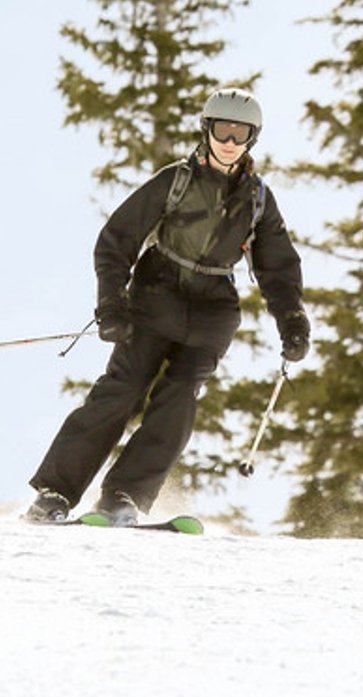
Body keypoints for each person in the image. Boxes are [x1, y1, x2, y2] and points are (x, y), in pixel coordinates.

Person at [25, 88, 309, 525]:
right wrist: (111, 302)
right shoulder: (175, 180)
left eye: (241, 133)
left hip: (213, 310)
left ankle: (125, 496)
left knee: (179, 401)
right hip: (157, 295)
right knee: (122, 389)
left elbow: (279, 265)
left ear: (253, 138)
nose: (230, 141)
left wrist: (291, 318)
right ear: (207, 129)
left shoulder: (257, 198)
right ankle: (54, 493)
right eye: (223, 130)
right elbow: (116, 241)